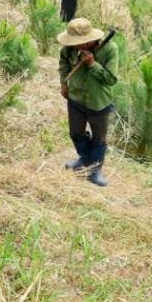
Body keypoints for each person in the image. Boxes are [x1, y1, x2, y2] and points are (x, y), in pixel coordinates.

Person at [57, 18, 118, 187]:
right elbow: (63, 64)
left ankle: (94, 170)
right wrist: (64, 82)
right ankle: (84, 159)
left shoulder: (110, 50)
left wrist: (93, 64)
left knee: (99, 139)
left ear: (90, 39)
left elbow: (111, 79)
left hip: (98, 102)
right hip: (75, 97)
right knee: (76, 133)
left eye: (80, 43)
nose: (76, 46)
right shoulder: (69, 49)